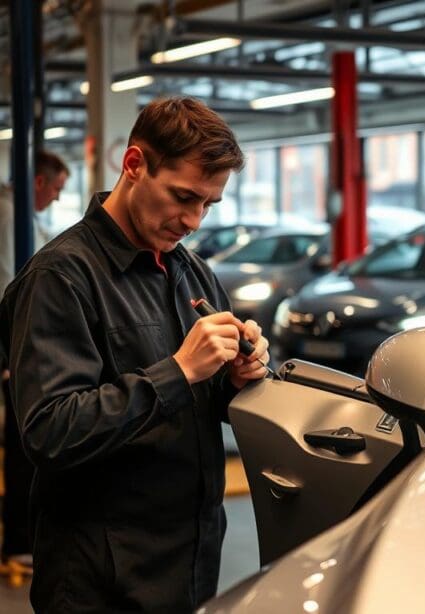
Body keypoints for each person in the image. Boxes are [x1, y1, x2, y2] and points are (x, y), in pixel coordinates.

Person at [0, 97, 270, 611]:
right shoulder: (59, 279)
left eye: (208, 204)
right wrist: (180, 369)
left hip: (187, 562)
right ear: (134, 165)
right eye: (183, 196)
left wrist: (234, 378)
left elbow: (197, 405)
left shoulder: (191, 271)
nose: (193, 220)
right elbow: (49, 432)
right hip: (101, 580)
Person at [0, 150, 69, 571]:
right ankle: (18, 542)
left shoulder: (17, 213)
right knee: (23, 439)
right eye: (57, 189)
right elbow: (9, 281)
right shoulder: (11, 215)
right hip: (14, 341)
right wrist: (12, 349)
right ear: (38, 182)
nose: (57, 199)